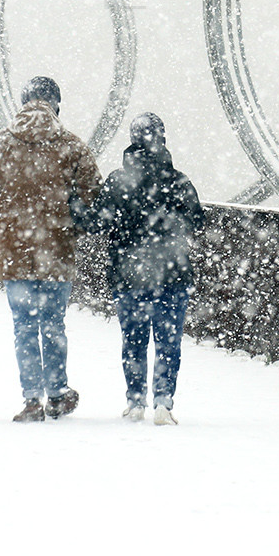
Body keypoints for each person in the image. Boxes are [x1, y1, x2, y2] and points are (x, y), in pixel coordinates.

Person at [0, 76, 101, 423]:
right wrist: (73, 228)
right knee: (53, 323)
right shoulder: (72, 146)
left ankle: (31, 399)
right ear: (56, 105)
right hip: (56, 251)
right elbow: (92, 195)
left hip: (14, 252)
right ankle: (57, 393)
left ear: (23, 103)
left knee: (24, 326)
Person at [76, 112, 204, 425]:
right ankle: (163, 402)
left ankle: (135, 402)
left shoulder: (119, 181)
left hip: (128, 275)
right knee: (168, 342)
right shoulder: (179, 180)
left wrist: (73, 204)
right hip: (172, 274)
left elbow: (97, 222)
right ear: (162, 138)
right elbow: (198, 222)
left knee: (133, 339)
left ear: (133, 140)